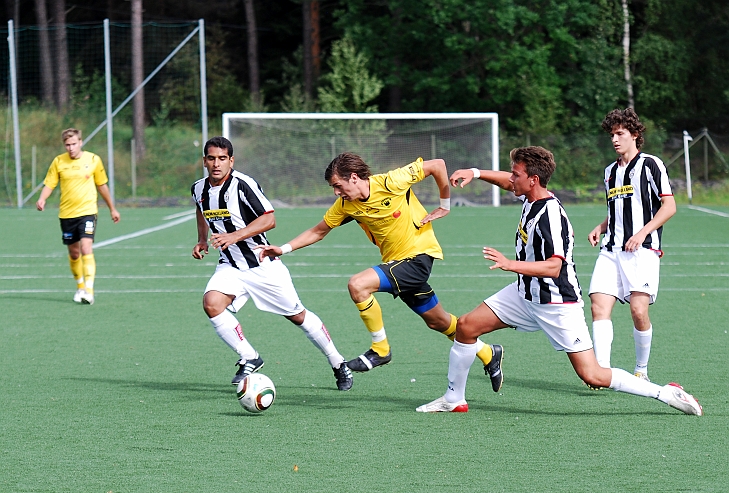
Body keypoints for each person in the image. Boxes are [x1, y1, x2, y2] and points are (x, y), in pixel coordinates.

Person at [416, 146, 702, 416]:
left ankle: (664, 393)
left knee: (593, 375)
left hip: (556, 302)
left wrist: (509, 264)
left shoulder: (551, 215)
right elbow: (506, 182)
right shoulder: (530, 195)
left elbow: (554, 267)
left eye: (516, 174)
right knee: (466, 327)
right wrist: (476, 173)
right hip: (524, 293)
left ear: (533, 179)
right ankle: (454, 400)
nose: (511, 178)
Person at [257, 152, 503, 391]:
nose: (336, 192)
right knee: (437, 321)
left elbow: (437, 165)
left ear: (354, 177)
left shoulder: (391, 182)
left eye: (338, 185)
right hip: (397, 263)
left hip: (418, 257)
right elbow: (319, 230)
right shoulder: (346, 205)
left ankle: (381, 349)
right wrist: (283, 248)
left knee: (358, 285)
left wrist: (444, 205)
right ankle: (488, 353)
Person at [191, 136, 353, 391]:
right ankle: (250, 356)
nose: (216, 164)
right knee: (212, 304)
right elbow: (201, 210)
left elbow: (269, 219)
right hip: (230, 265)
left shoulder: (243, 185)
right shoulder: (198, 188)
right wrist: (202, 239)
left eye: (222, 158)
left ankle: (338, 362)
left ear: (231, 161)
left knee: (297, 315)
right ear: (204, 161)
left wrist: (234, 235)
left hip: (261, 262)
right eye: (211, 158)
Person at [587, 108, 676, 381]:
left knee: (638, 312)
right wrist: (601, 227)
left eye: (620, 133)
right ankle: (601, 371)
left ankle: (641, 370)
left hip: (642, 250)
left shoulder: (651, 164)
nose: (614, 139)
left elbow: (669, 206)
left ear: (635, 135)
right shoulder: (610, 172)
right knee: (598, 307)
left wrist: (642, 233)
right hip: (611, 250)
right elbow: (617, 209)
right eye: (612, 134)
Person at [36, 128, 120, 305]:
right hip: (67, 214)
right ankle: (80, 287)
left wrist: (112, 208)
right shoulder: (59, 161)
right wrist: (42, 199)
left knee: (86, 247)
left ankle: (89, 290)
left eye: (74, 144)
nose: (71, 148)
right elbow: (49, 184)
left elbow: (102, 185)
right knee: (74, 253)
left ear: (80, 142)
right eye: (67, 145)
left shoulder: (93, 159)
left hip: (88, 211)